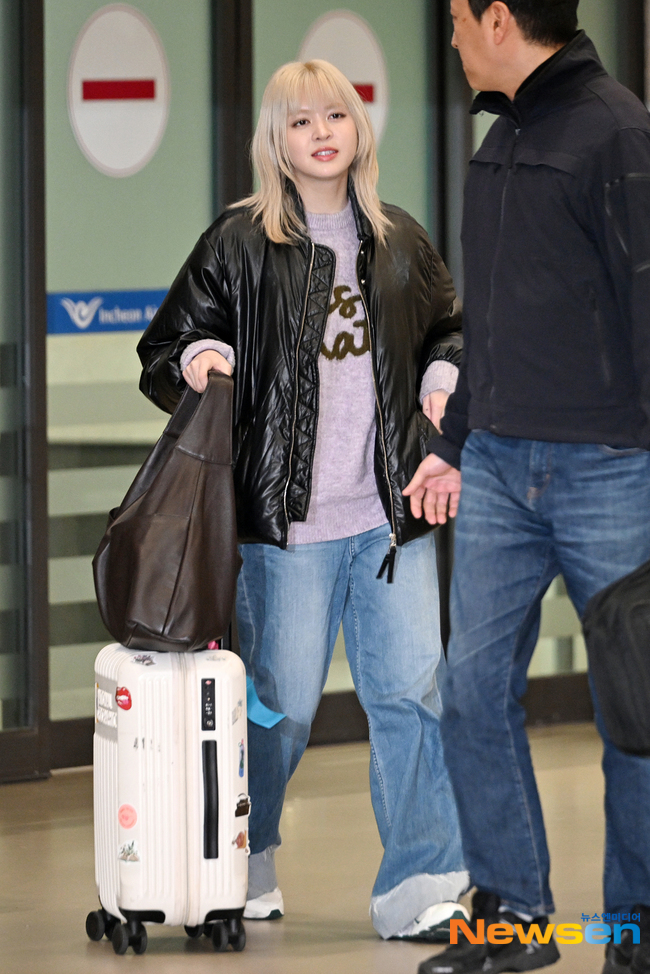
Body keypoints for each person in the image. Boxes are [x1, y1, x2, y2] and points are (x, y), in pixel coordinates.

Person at [137, 59, 469, 942]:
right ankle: (246, 858)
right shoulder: (239, 241)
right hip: (283, 528)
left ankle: (423, 886)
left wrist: (442, 377)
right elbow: (165, 345)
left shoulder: (400, 241)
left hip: (391, 520)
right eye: (300, 121)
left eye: (336, 116)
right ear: (275, 142)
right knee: (277, 709)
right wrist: (198, 361)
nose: (322, 133)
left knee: (412, 698)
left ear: (358, 128)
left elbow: (449, 329)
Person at [404, 2, 650, 973]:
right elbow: (493, 317)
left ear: (498, 18)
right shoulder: (498, 140)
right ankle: (510, 915)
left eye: (457, 18)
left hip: (612, 467)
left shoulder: (618, 133)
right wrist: (453, 441)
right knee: (469, 689)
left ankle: (635, 926)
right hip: (500, 466)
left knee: (633, 701)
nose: (452, 37)